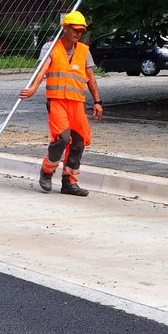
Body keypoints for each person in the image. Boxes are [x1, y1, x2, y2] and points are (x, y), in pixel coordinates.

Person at [19, 10, 103, 196]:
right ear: (65, 28)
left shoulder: (84, 50)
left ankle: (69, 183)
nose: (78, 34)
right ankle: (47, 172)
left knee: (79, 142)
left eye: (81, 31)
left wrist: (97, 101)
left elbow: (91, 78)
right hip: (57, 101)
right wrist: (33, 89)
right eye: (75, 30)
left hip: (77, 103)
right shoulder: (50, 47)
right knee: (62, 138)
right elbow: (42, 71)